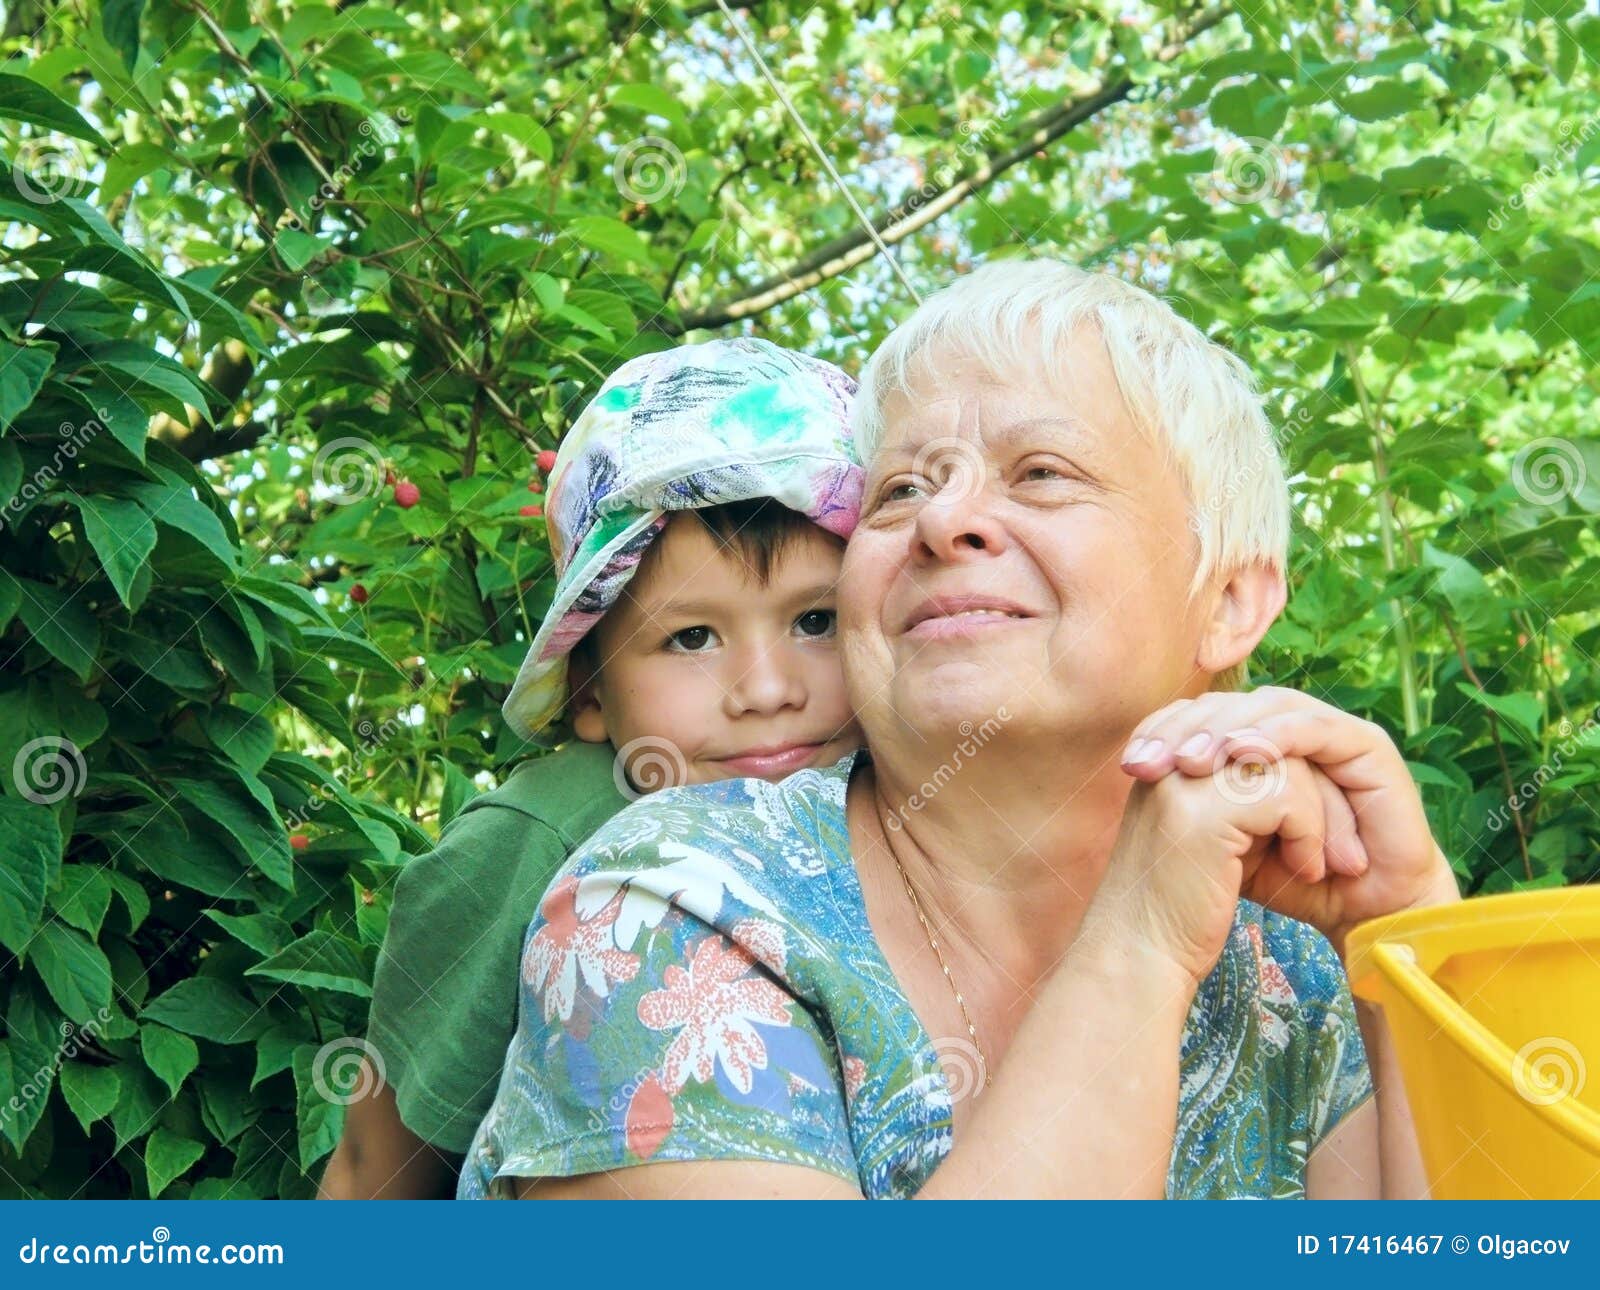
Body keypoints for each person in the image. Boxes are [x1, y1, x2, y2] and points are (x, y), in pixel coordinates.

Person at [458, 259, 1461, 1200]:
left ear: (1231, 600)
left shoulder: (1296, 963)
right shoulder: (667, 903)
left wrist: (1407, 941)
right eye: (901, 490)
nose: (945, 523)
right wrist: (1140, 945)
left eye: (1040, 473)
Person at [318, 338, 865, 1198]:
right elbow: (374, 1170)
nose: (766, 689)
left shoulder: (899, 787)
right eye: (691, 637)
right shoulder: (546, 832)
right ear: (591, 693)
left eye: (818, 621)